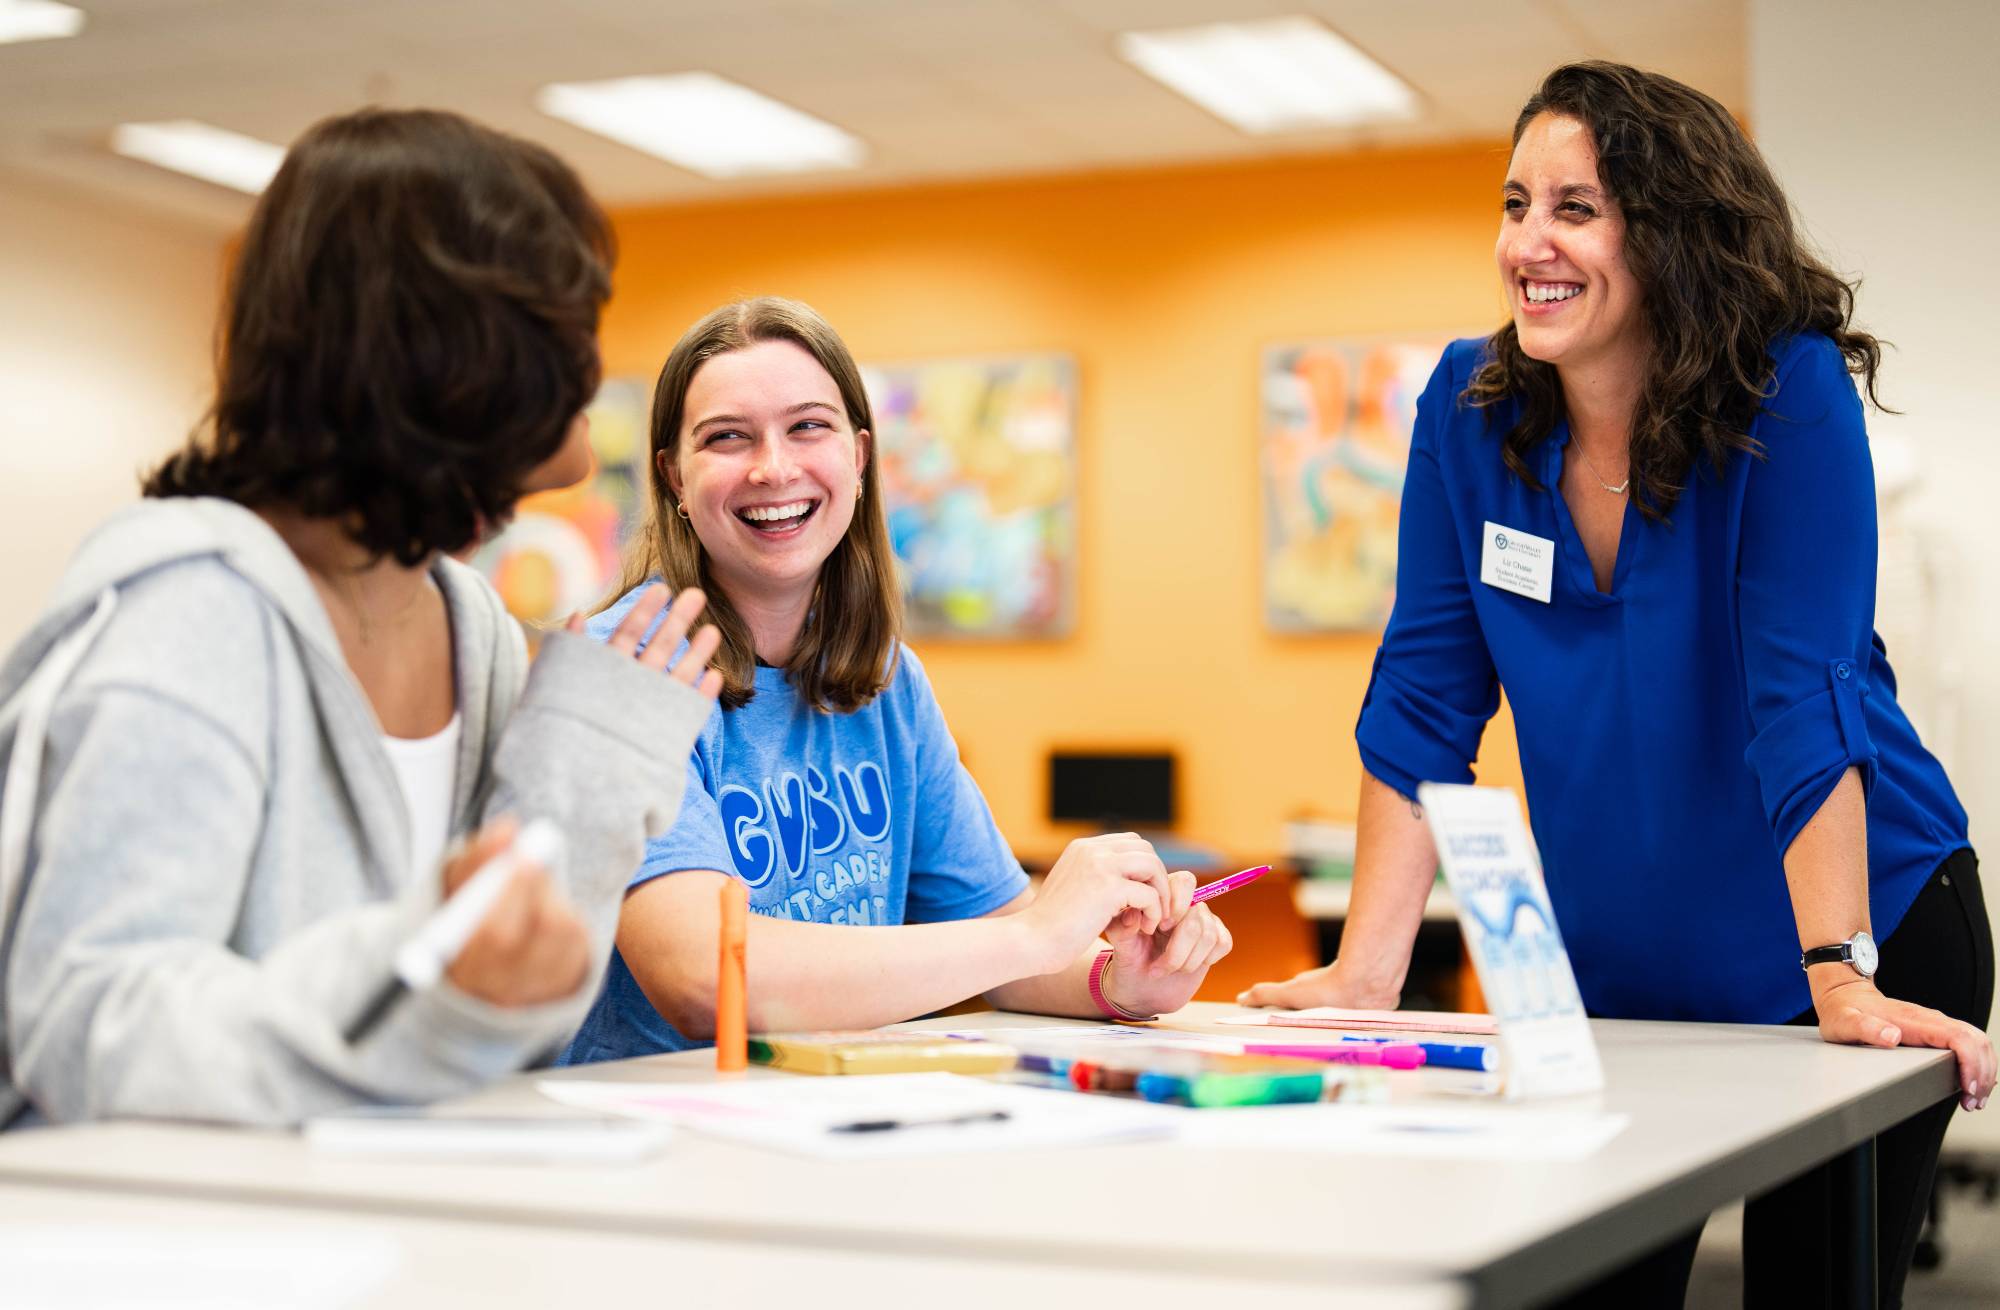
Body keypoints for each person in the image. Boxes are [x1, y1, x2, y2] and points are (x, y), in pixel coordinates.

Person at [1237, 62, 1994, 1307]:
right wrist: (1366, 969)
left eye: (1574, 208)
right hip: (1628, 967)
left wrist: (1839, 973)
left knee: (1808, 1289)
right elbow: (1424, 697)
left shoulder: (1784, 393)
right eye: (1513, 202)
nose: (1526, 242)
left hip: (1862, 926)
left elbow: (1799, 692)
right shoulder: (1467, 414)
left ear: (1673, 233)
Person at [0, 108, 722, 1128]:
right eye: (561, 351)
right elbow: (87, 1033)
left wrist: (583, 782)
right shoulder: (186, 620)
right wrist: (415, 959)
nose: (579, 418)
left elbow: (494, 1034)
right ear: (457, 364)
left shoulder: (467, 624)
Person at [559, 297, 1231, 1063]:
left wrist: (1118, 977)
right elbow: (707, 979)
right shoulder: (629, 667)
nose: (773, 467)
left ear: (860, 456)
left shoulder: (885, 679)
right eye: (726, 438)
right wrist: (1034, 935)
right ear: (674, 477)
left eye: (808, 426)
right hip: (652, 1138)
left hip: (826, 1119)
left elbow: (1010, 942)